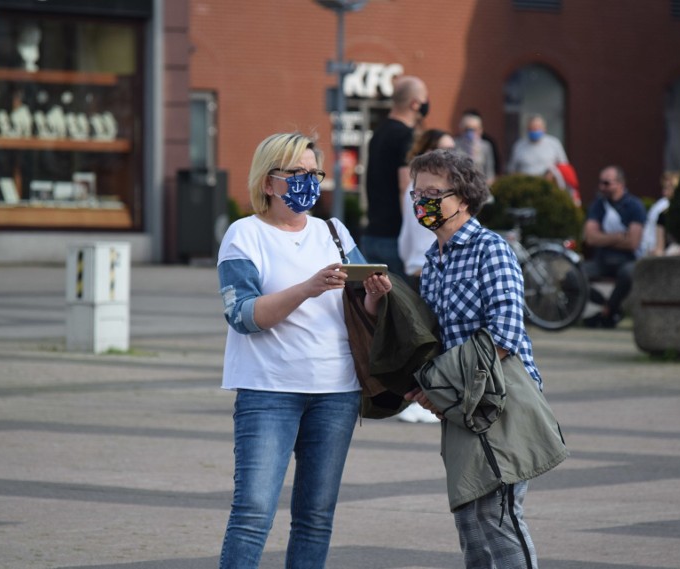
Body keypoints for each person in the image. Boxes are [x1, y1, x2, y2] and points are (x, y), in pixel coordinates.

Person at [216, 132, 392, 569]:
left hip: (336, 390)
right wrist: (308, 288)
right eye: (296, 173)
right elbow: (243, 315)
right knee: (253, 514)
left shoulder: (333, 231)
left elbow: (356, 306)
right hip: (268, 391)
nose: (307, 181)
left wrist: (374, 294)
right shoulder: (245, 234)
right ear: (268, 181)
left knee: (315, 517)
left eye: (313, 172)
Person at [401, 149, 564, 568]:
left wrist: (439, 381)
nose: (422, 202)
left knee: (498, 514)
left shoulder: (490, 249)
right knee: (470, 521)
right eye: (417, 193)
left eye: (434, 193)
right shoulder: (433, 262)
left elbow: (505, 335)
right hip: (461, 407)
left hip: (501, 400)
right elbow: (434, 338)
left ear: (465, 198)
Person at [394, 128, 455, 424]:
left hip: (431, 264)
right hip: (422, 265)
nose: (450, 156)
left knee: (431, 336)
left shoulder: (438, 191)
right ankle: (422, 398)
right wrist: (411, 261)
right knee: (424, 338)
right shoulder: (420, 194)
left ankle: (429, 398)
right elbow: (411, 230)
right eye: (444, 150)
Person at [363, 75, 429, 279]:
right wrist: (412, 229)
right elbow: (405, 185)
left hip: (372, 234)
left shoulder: (379, 132)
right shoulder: (406, 136)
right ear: (415, 103)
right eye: (425, 98)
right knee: (404, 307)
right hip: (394, 238)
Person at [582, 165, 647, 328]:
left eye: (606, 183)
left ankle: (608, 310)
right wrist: (618, 236)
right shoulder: (597, 205)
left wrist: (602, 238)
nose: (601, 187)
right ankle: (609, 306)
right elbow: (590, 238)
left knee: (629, 273)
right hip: (601, 260)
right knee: (572, 276)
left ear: (620, 184)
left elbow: (633, 243)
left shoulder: (634, 206)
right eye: (600, 183)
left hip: (626, 260)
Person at [507, 114, 568, 181]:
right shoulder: (519, 145)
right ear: (527, 129)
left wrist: (553, 174)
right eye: (532, 129)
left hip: (549, 185)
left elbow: (564, 166)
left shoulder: (554, 143)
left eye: (537, 128)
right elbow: (511, 169)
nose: (534, 131)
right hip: (525, 184)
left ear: (544, 129)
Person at [639, 171, 679, 257]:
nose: (665, 193)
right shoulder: (662, 213)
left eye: (669, 188)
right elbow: (659, 247)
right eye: (664, 188)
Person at [453, 111, 496, 184]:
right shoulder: (453, 144)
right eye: (467, 129)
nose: (470, 133)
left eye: (474, 129)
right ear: (460, 128)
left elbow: (490, 174)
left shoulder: (486, 146)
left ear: (480, 130)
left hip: (479, 187)